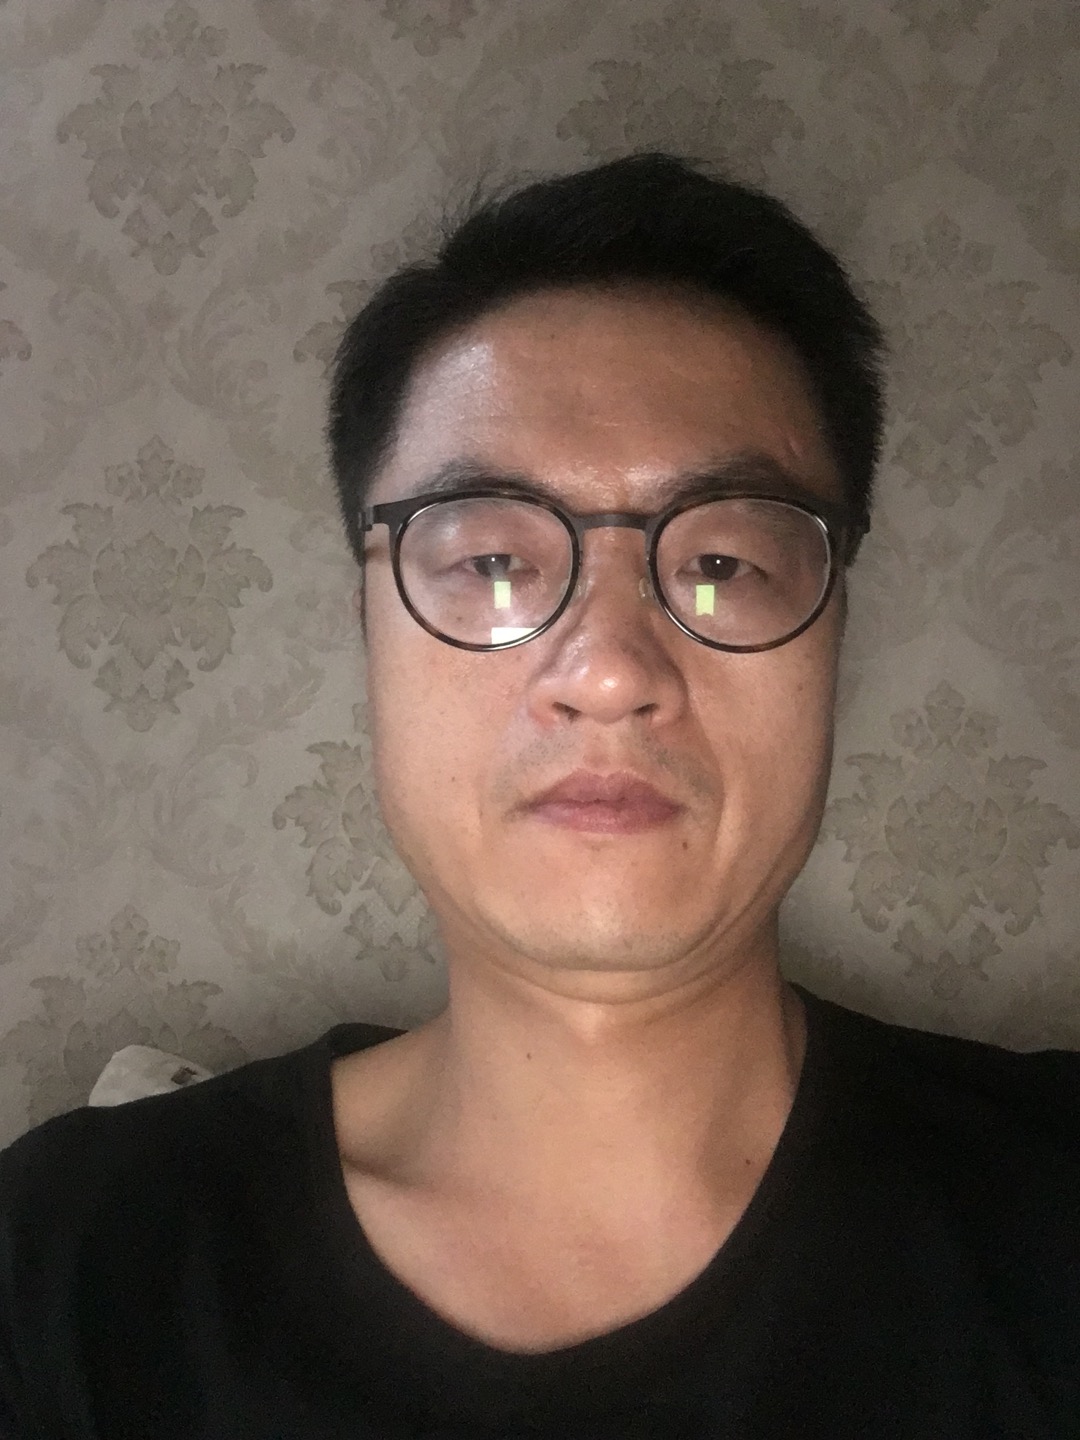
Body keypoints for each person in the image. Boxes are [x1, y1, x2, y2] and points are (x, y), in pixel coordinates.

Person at [1, 152, 1077, 1438]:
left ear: (835, 625)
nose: (610, 670)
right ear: (367, 626)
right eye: (495, 561)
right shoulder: (70, 1264)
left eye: (724, 562)